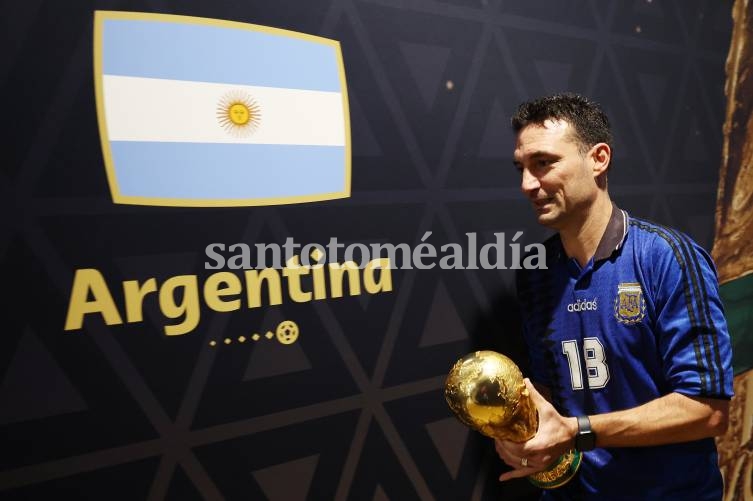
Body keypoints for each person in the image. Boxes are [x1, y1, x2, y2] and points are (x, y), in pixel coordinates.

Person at [495, 93, 733, 499]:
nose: (527, 184)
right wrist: (524, 436)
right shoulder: (535, 273)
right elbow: (551, 392)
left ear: (598, 159)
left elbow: (707, 410)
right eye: (521, 168)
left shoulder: (667, 257)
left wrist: (578, 432)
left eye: (543, 163)